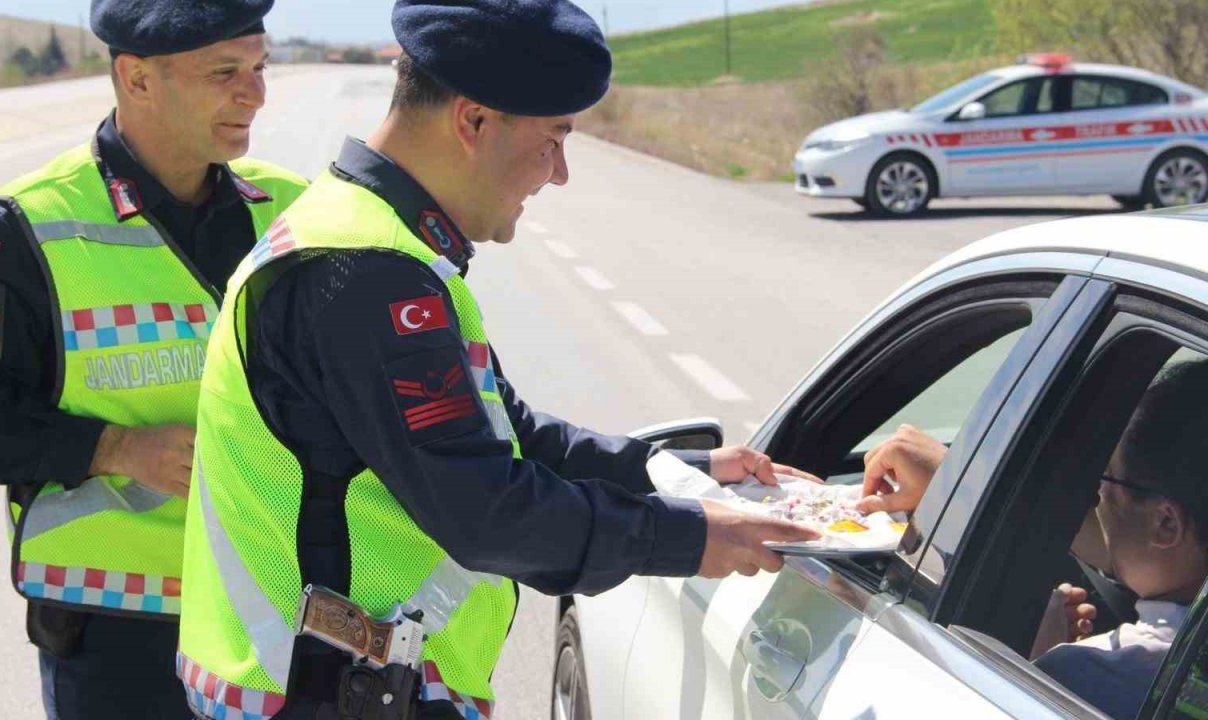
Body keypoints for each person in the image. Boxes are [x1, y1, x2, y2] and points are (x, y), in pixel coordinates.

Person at [175, 1, 818, 718]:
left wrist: (675, 472)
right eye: (554, 138)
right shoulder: (367, 273)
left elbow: (508, 436)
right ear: (473, 121)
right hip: (323, 696)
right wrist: (692, 537)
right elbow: (488, 512)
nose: (560, 173)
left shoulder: (373, 237)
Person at [0, 1, 308, 717]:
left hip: (282, 615)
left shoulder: (294, 213)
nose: (255, 93)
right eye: (225, 72)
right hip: (117, 636)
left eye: (260, 67)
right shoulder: (19, 231)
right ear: (136, 78)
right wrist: (113, 447)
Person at [857, 360, 1208, 720]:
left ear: (1166, 523)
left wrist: (1031, 669)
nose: (1096, 495)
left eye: (1109, 479)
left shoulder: (1090, 678)